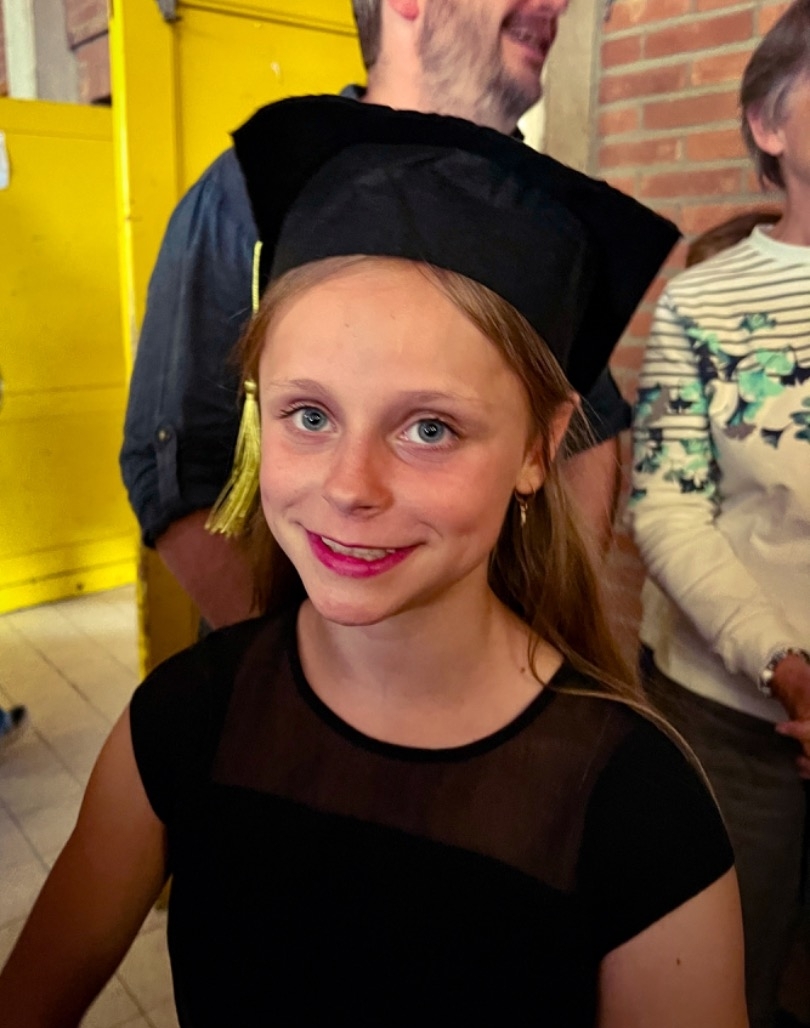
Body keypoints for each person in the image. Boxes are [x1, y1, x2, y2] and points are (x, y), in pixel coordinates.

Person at [0, 97, 751, 1028]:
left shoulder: (636, 810)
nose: (352, 487)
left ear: (539, 444)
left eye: (429, 428)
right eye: (309, 415)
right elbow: (25, 1023)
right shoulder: (186, 720)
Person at [120, 0, 633, 630]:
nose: (557, 3)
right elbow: (177, 468)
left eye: (431, 428)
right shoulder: (254, 195)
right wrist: (286, 672)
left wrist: (548, 629)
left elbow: (588, 429)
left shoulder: (543, 214)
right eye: (311, 416)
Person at [629, 2, 810, 1028]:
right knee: (718, 991)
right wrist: (786, 666)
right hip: (736, 715)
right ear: (768, 124)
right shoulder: (701, 303)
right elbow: (665, 505)